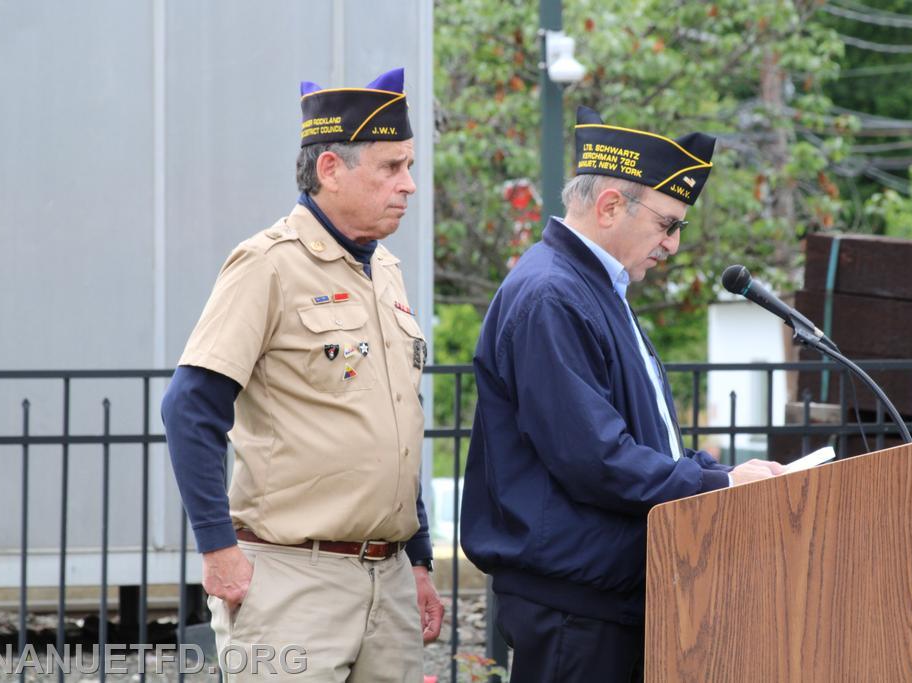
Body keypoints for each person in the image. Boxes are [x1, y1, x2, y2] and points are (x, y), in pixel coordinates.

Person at [460, 106, 784, 682]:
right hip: (575, 603)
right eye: (667, 224)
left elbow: (641, 439)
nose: (673, 246)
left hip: (598, 591)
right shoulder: (553, 295)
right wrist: (720, 484)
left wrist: (722, 473)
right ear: (611, 206)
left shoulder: (592, 288)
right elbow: (596, 457)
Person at [161, 67, 442, 681]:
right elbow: (189, 408)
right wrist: (217, 551)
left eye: (409, 165)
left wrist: (418, 562)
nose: (410, 185)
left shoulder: (386, 269)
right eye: (391, 167)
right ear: (331, 171)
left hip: (388, 580)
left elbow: (395, 422)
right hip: (292, 581)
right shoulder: (267, 264)